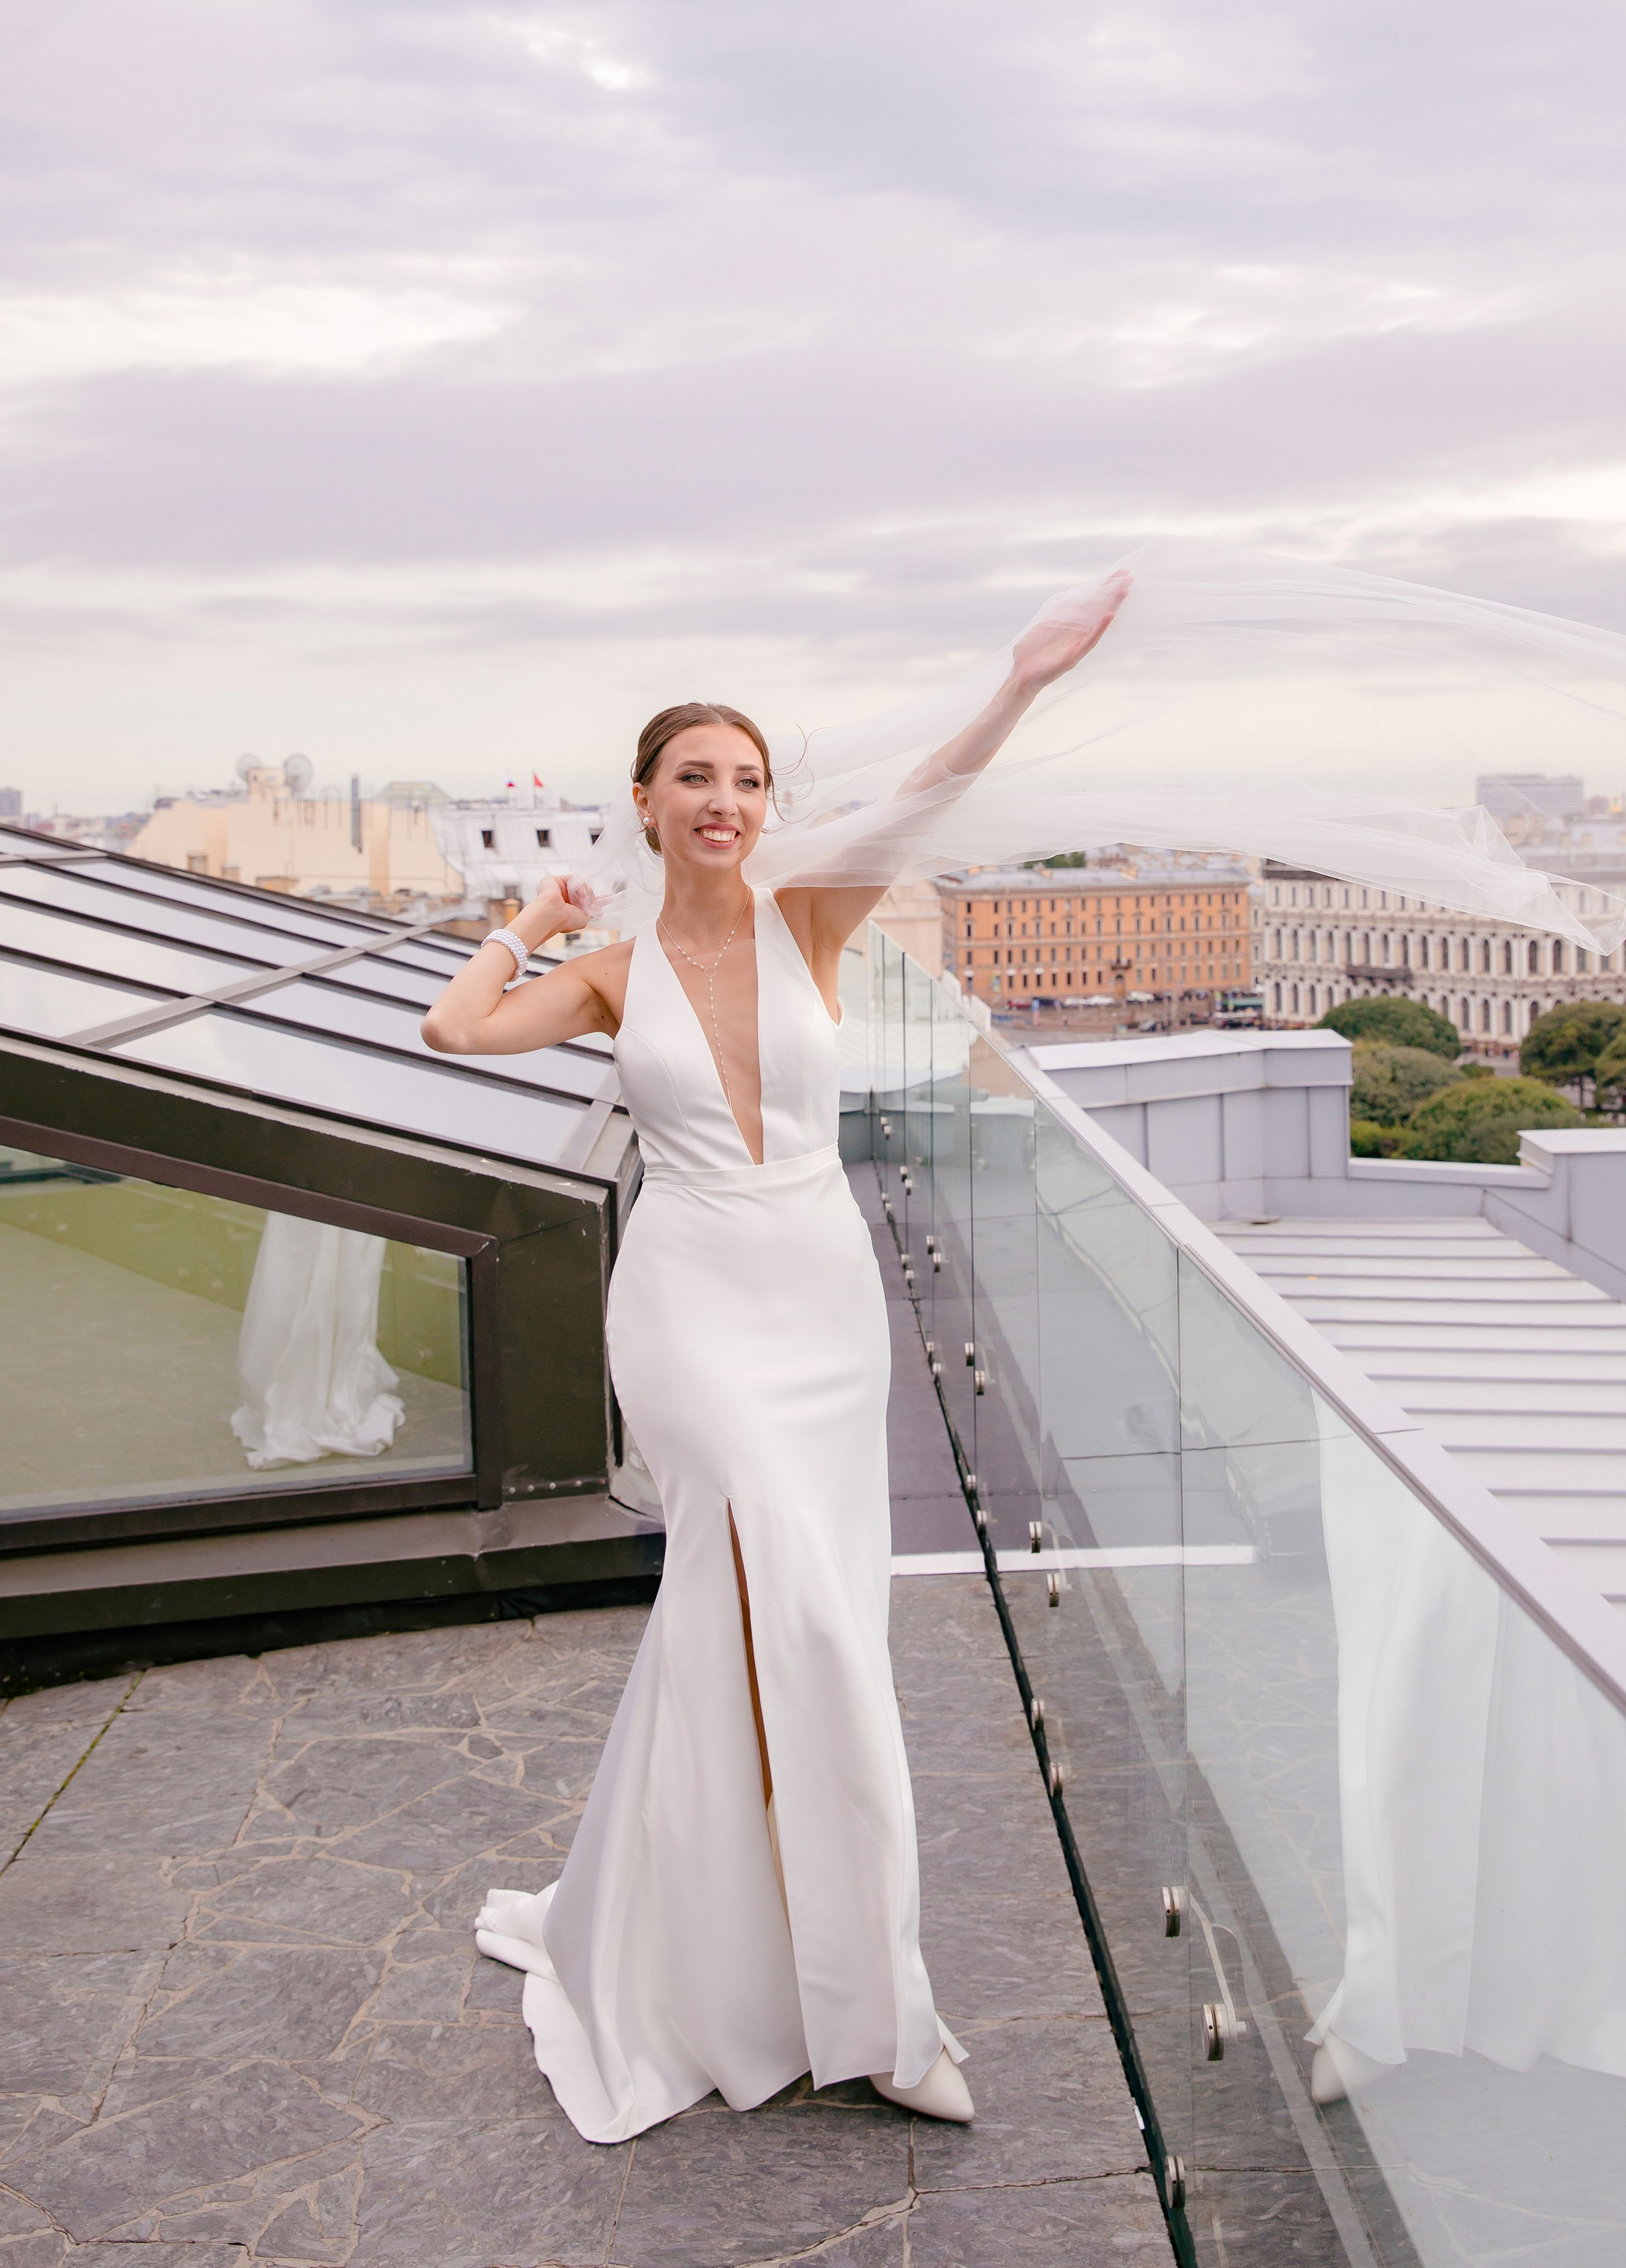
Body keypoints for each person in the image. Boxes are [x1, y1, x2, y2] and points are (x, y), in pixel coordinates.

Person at [419, 579, 1126, 2142]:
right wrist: (526, 920)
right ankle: (876, 2011)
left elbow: (932, 795)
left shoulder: (812, 914)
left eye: (746, 780)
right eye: (696, 778)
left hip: (818, 1295)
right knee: (787, 1616)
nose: (724, 802)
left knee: (778, 1627)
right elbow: (453, 1036)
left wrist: (1015, 681)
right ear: (647, 805)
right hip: (687, 1302)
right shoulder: (608, 974)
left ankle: (715, 1939)